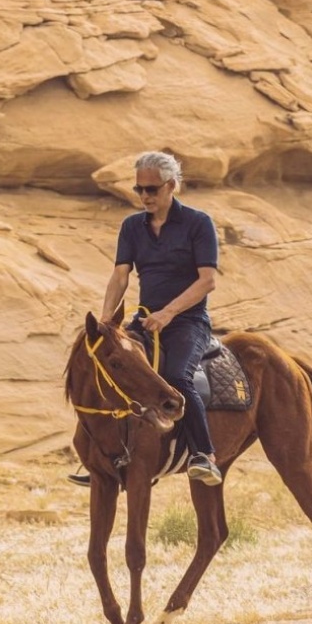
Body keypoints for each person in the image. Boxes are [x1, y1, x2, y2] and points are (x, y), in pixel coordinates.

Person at [98, 151, 222, 486]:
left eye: (151, 189)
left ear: (171, 186)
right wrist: (106, 323)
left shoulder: (198, 223)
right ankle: (102, 457)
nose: (144, 196)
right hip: (145, 320)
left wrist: (169, 313)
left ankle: (204, 455)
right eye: (139, 189)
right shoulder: (131, 227)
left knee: (176, 378)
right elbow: (120, 276)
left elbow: (207, 281)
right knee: (104, 369)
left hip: (188, 322)